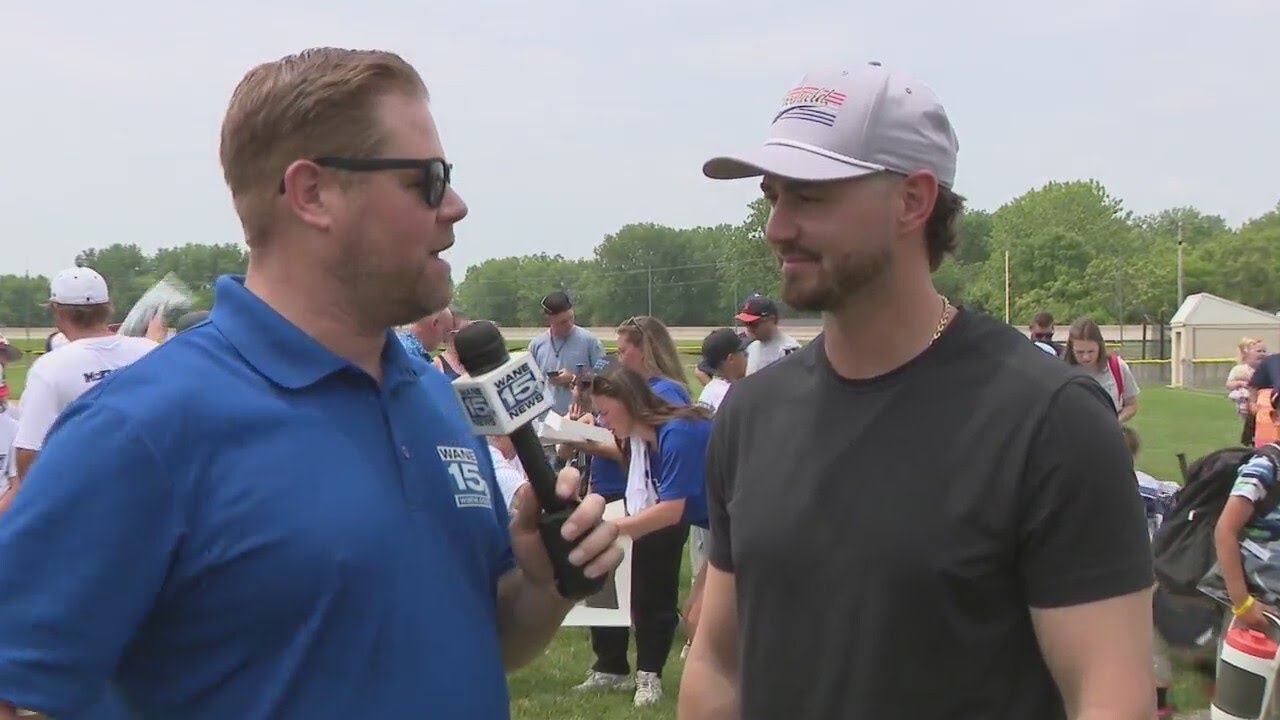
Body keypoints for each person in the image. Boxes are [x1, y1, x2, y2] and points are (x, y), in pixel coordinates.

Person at [0, 47, 621, 720]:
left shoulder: (432, 396)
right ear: (313, 193)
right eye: (431, 180)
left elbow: (485, 640)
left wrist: (543, 583)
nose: (458, 207)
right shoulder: (140, 430)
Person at [681, 61, 1155, 719]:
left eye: (811, 197)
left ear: (913, 200)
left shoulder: (1049, 422)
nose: (777, 228)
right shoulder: (753, 414)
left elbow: (1107, 696)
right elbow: (717, 661)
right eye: (774, 197)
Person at [588, 364, 712, 707]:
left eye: (605, 412)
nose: (602, 422)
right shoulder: (645, 442)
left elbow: (670, 511)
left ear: (628, 402)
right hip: (732, 526)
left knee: (704, 619)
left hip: (755, 522)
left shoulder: (677, 433)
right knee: (698, 617)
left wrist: (606, 531)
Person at [5, 267, 160, 505]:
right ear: (108, 307)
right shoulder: (149, 351)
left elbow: (29, 452)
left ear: (57, 309)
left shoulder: (51, 366)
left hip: (86, 500)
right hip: (150, 491)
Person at [527, 291, 606, 417]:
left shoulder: (590, 341)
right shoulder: (536, 345)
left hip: (580, 418)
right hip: (545, 420)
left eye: (571, 318)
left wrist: (574, 379)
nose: (569, 324)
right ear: (548, 320)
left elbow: (607, 378)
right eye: (562, 322)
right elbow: (530, 386)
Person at [1065, 317, 1140, 424]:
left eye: (1091, 351)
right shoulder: (1061, 370)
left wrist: (1115, 423)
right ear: (1071, 349)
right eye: (1080, 352)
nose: (1086, 357)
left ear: (1100, 346)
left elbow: (1131, 405)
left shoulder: (1117, 367)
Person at [735, 294, 801, 375]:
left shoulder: (788, 350)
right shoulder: (751, 347)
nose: (749, 329)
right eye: (746, 324)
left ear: (772, 320)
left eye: (753, 324)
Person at [696, 328, 750, 412]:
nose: (747, 356)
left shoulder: (711, 389)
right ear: (731, 359)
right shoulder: (733, 396)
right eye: (744, 352)